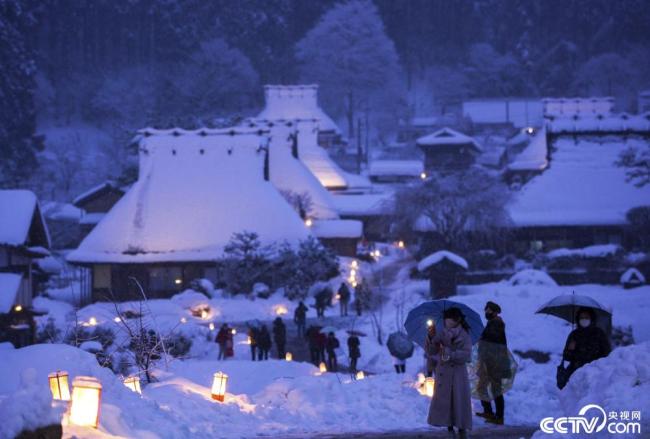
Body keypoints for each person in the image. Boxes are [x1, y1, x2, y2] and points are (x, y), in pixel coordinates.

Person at [427, 307, 472, 439]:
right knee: (446, 402)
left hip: (458, 375)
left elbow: (467, 355)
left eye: (448, 318)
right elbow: (431, 351)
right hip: (444, 374)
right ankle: (449, 429)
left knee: (459, 401)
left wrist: (450, 354)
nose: (446, 321)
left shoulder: (464, 335)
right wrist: (431, 337)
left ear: (456, 320)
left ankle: (462, 429)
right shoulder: (442, 333)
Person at [476, 301, 509, 425]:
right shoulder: (492, 323)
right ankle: (489, 412)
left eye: (489, 310)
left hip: (495, 363)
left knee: (495, 390)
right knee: (483, 387)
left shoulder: (497, 323)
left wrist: (483, 338)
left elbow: (492, 339)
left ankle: (499, 417)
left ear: (495, 312)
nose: (486, 312)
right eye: (486, 310)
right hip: (488, 362)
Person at [560, 307, 611, 386]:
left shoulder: (599, 333)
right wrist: (570, 350)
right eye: (581, 318)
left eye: (586, 317)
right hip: (575, 373)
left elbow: (607, 353)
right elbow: (566, 357)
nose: (584, 320)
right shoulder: (574, 335)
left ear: (591, 318)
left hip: (595, 373)